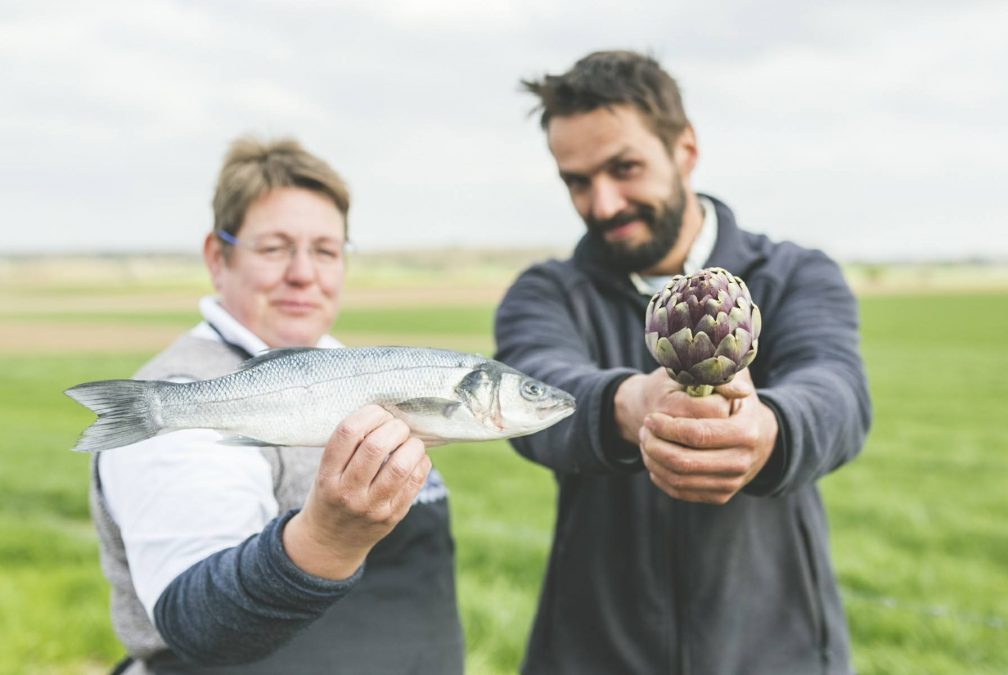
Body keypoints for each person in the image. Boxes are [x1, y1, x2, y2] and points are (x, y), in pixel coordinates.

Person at [494, 50, 872, 674]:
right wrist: (629, 405)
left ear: (685, 150)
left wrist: (769, 429)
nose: (604, 202)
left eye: (625, 168)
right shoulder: (548, 293)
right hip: (592, 651)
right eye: (577, 181)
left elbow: (838, 389)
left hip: (777, 651)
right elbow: (533, 388)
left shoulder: (792, 274)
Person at [90, 137, 463, 673]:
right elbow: (202, 622)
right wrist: (326, 539)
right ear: (219, 258)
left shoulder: (356, 371)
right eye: (274, 248)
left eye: (326, 251)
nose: (304, 274)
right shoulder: (179, 403)